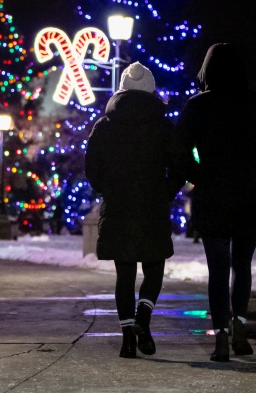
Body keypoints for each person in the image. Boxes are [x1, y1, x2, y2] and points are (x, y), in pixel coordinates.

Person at [173, 43, 256, 360]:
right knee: (242, 265)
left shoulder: (197, 106)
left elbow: (178, 151)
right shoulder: (255, 104)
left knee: (218, 269)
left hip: (212, 195)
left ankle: (220, 337)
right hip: (248, 195)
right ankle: (240, 328)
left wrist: (198, 175)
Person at [85, 61, 185, 359]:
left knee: (124, 273)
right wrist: (166, 190)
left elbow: (91, 169)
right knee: (155, 265)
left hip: (118, 207)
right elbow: (180, 165)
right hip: (153, 205)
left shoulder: (104, 126)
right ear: (151, 90)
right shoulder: (165, 125)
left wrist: (109, 189)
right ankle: (144, 316)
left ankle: (128, 338)